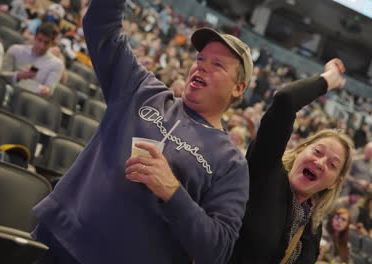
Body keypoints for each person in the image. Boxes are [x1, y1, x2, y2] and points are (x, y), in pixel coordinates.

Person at [32, 0, 252, 263]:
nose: (201, 66)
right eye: (200, 58)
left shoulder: (231, 163)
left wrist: (173, 192)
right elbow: (101, 28)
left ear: (238, 88)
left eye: (217, 65)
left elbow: (217, 249)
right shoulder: (141, 90)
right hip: (56, 240)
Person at [229, 58, 354, 264]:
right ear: (300, 151)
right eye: (318, 151)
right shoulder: (266, 171)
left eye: (332, 165)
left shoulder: (313, 228)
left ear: (334, 182)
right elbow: (286, 100)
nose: (321, 162)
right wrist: (330, 79)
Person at [0, 22, 63, 98]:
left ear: (52, 43)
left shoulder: (57, 64)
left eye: (46, 43)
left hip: (32, 100)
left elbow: (49, 91)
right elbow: (1, 76)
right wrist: (19, 75)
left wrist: (46, 91)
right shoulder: (15, 50)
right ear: (35, 37)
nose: (41, 46)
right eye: (39, 40)